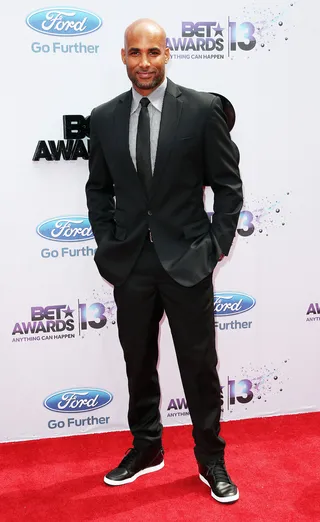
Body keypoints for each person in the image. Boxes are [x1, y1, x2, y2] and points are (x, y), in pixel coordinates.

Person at [85, 18, 243, 504]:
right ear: (123, 57)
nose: (145, 63)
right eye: (136, 53)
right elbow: (99, 189)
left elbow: (228, 186)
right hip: (131, 263)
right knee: (139, 361)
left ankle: (210, 458)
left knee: (199, 365)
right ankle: (147, 446)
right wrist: (109, 243)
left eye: (153, 52)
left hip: (188, 260)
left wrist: (214, 247)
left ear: (167, 53)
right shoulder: (105, 116)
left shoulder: (199, 109)